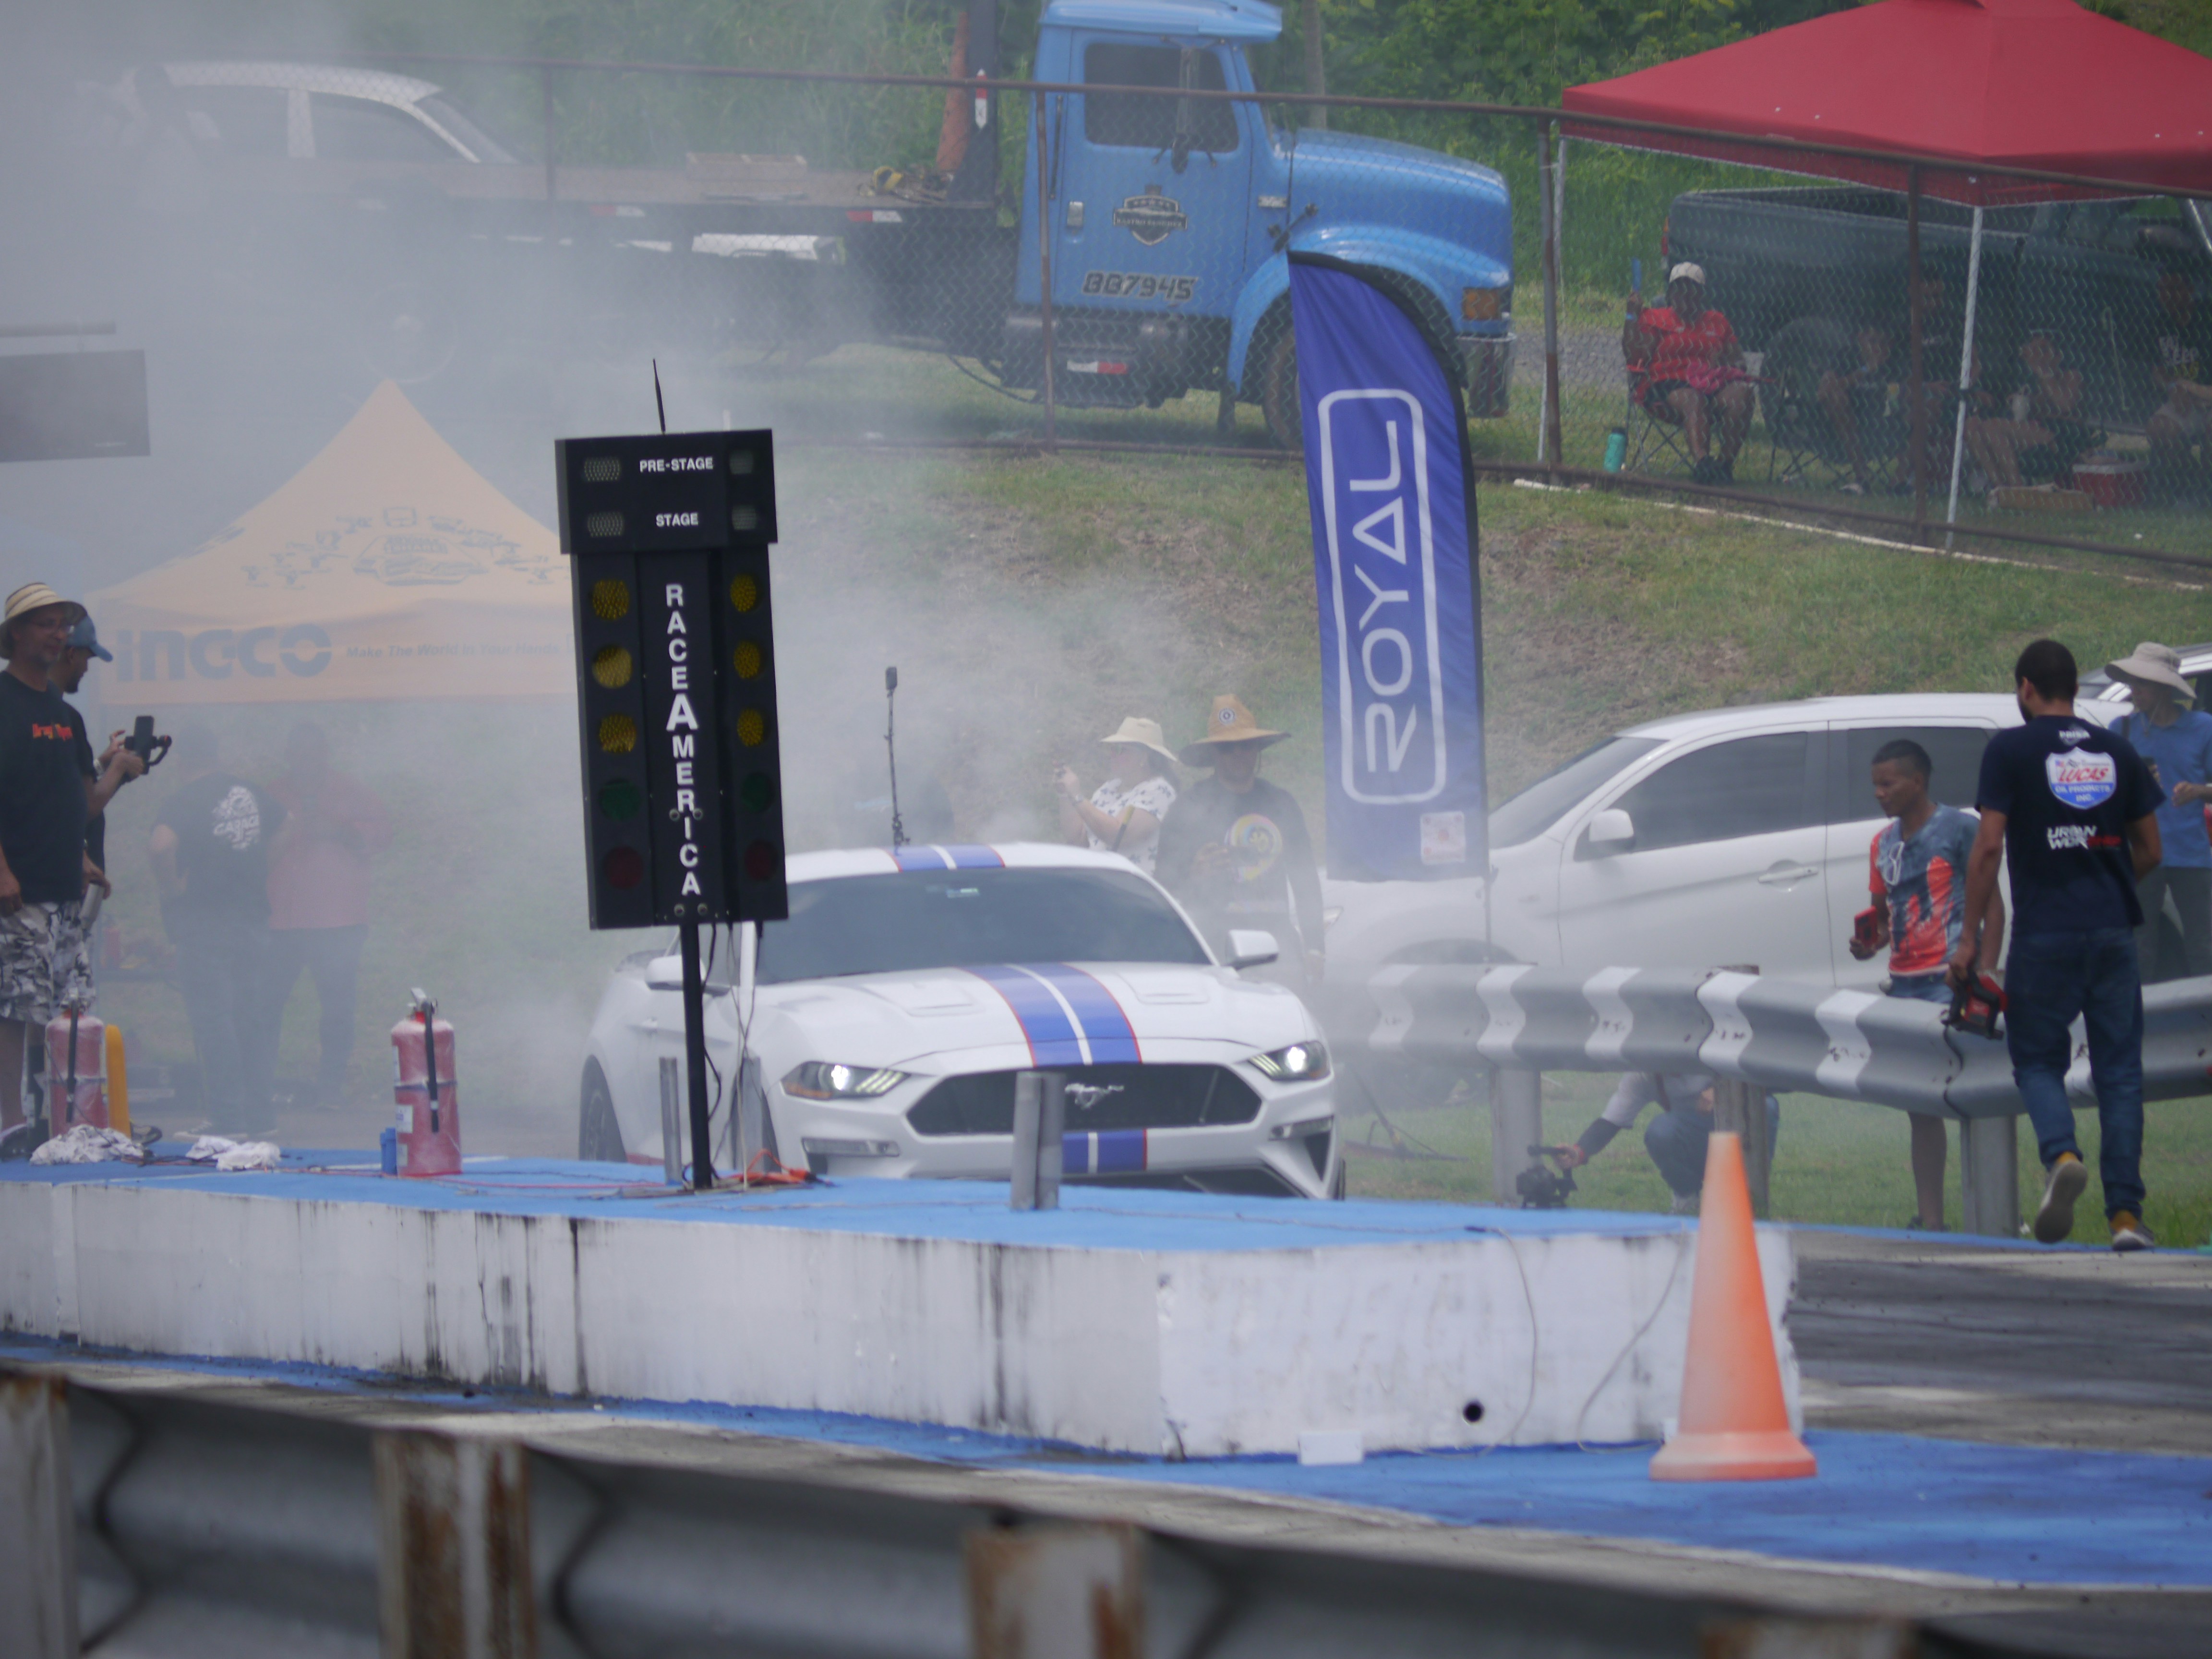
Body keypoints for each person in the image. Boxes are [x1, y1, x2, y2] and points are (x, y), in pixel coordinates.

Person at [1951, 640, 2162, 1251]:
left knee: (2039, 1059)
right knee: (2121, 1072)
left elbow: (1988, 846)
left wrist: (1969, 940)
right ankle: (2126, 1219)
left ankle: (2062, 1153)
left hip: (2046, 933)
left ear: (2025, 688)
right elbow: (2150, 850)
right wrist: (2109, 888)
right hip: (2113, 932)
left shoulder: (2010, 750)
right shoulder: (2117, 748)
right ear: (2073, 687)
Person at [0, 585, 141, 1147]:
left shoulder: (67, 717)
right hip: (18, 889)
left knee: (66, 1012)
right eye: (45, 625)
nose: (57, 635)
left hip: (63, 891)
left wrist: (83, 856)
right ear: (16, 633)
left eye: (63, 626)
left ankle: (65, 1120)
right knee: (13, 1009)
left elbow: (79, 804)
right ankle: (9, 1121)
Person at [1848, 738, 2004, 1230]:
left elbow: (1995, 906)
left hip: (1953, 979)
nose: (1880, 793)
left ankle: (1993, 1210)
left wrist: (1988, 969)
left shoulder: (1960, 829)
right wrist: (1868, 943)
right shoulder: (1883, 843)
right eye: (1875, 784)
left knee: (1973, 1092)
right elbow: (1881, 912)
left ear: (1918, 781)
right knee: (1920, 1105)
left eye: (1888, 783)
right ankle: (1932, 1219)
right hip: (1905, 984)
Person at [150, 727, 288, 1134]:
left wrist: (172, 888)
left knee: (214, 1021)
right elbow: (288, 823)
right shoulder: (246, 790)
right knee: (251, 1018)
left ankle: (228, 1119)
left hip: (204, 920)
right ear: (216, 756)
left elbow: (160, 847)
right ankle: (262, 1118)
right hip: (251, 918)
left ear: (182, 762)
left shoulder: (183, 800)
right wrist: (262, 866)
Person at [1153, 696, 1324, 992]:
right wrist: (1195, 873)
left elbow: (1305, 880)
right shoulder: (1187, 808)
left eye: (1246, 745)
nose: (1238, 754)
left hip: (1277, 949)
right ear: (1213, 755)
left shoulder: (1281, 803)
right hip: (1213, 952)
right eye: (1227, 748)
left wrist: (1315, 948)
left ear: (1258, 749)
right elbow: (1164, 886)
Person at [265, 721, 390, 1108]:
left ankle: (330, 1087)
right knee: (267, 1004)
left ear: (325, 754)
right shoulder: (272, 795)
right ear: (288, 757)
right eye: (298, 753)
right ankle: (261, 1084)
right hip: (281, 920)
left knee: (337, 1009)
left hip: (338, 919)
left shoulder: (351, 792)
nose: (305, 761)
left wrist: (337, 832)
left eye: (313, 752)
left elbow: (381, 835)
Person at [2105, 642, 2212, 983]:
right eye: (2132, 683)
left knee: (2203, 942)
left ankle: (2203, 1017)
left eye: (2144, 684)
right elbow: (2104, 795)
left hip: (2191, 855)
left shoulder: (2202, 728)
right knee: (2139, 943)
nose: (2135, 692)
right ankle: (2142, 1018)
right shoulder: (2121, 730)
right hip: (2140, 854)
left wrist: (2199, 791)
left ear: (2166, 688)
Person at [1555, 1072, 1780, 1214]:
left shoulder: (1711, 1051)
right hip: (1691, 1138)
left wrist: (1725, 1090)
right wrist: (1579, 1151)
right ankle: (1687, 1195)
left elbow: (1772, 1078)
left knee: (1766, 1107)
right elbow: (1611, 1122)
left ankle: (1751, 1194)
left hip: (1736, 1130)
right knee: (1659, 1132)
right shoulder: (1642, 1076)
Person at [1623, 262, 1756, 485]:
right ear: (1670, 293)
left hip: (1711, 385)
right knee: (1693, 399)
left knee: (1743, 394)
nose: (1684, 294)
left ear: (1702, 294)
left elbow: (1739, 361)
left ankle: (1723, 466)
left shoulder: (1717, 322)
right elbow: (1633, 354)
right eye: (1679, 288)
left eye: (1691, 288)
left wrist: (1724, 363)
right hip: (1667, 386)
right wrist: (1631, 317)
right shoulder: (1657, 318)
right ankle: (1703, 464)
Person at [53, 614, 142, 882]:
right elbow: (82, 806)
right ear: (71, 654)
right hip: (53, 882)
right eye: (87, 659)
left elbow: (55, 790)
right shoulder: (63, 717)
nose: (86, 670)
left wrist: (100, 764)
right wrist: (119, 768)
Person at [1962, 330, 2091, 496]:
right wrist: (2020, 400)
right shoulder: (2033, 382)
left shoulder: (2072, 376)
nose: (2039, 357)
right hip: (2037, 433)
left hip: (2064, 435)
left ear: (2058, 356)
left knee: (1993, 427)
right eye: (2035, 352)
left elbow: (2065, 405)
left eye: (2044, 351)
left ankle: (2018, 491)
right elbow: (2031, 412)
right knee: (1975, 429)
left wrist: (2044, 374)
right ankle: (2001, 489)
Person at [1056, 717, 1178, 876]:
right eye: (1112, 749)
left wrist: (1078, 797)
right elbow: (1077, 839)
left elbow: (1117, 835)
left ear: (1144, 757)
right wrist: (1065, 795)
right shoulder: (1109, 789)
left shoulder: (1160, 790)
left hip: (1131, 889)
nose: (1112, 755)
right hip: (1101, 884)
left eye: (1120, 750)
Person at [2144, 268, 2212, 502]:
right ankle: (2193, 484)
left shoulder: (2207, 319)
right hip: (2184, 401)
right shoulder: (2157, 324)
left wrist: (2186, 386)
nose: (2167, 296)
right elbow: (2157, 371)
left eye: (2174, 289)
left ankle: (2206, 491)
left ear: (2190, 291)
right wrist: (2172, 388)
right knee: (2158, 429)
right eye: (2162, 290)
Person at [1815, 321, 1905, 496]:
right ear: (1861, 338)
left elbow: (1895, 402)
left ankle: (1901, 482)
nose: (1878, 348)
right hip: (1846, 423)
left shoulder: (1893, 361)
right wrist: (1866, 370)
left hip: (1882, 423)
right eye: (1873, 341)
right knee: (1836, 399)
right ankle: (1862, 476)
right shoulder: (1846, 356)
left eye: (1884, 343)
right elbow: (1823, 392)